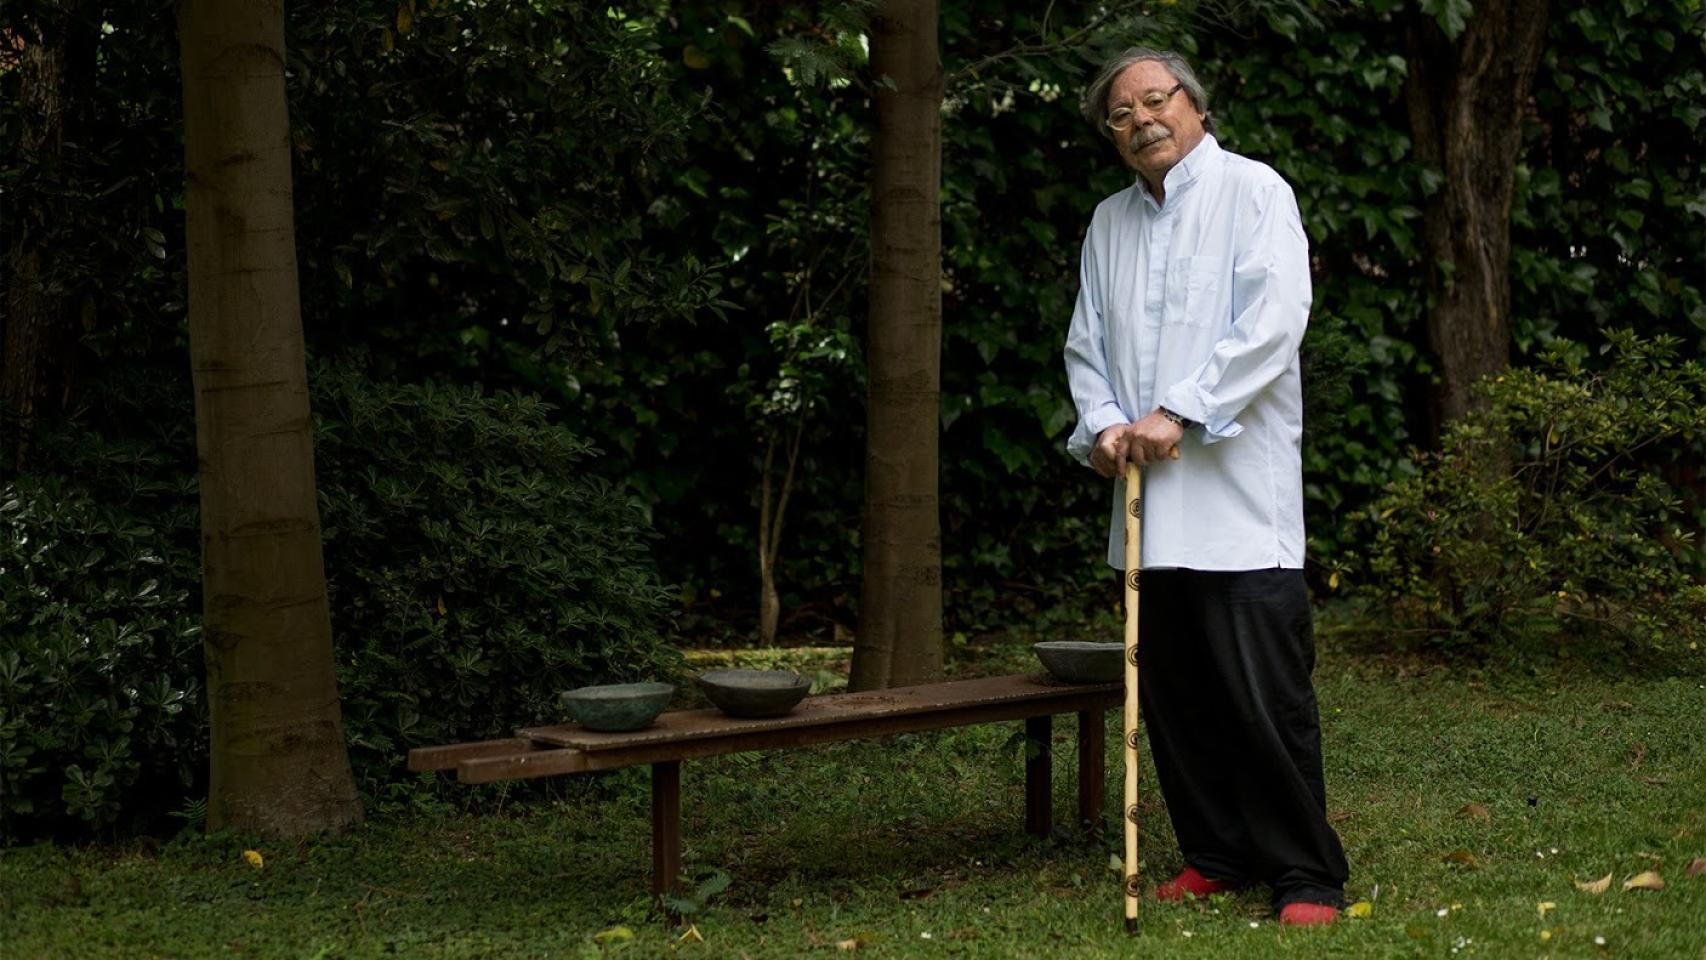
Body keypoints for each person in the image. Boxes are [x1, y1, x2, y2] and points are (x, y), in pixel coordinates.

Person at [1062, 46, 1349, 926]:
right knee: (1176, 698)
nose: (1143, 119)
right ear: (1112, 135)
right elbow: (1086, 343)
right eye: (1122, 113)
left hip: (1239, 508)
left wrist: (1180, 410)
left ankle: (1305, 872)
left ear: (1195, 103)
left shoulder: (1255, 193)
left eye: (1157, 99)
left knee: (1264, 697)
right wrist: (1107, 423)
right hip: (1145, 505)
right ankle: (1217, 852)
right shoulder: (1109, 221)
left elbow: (1273, 322)